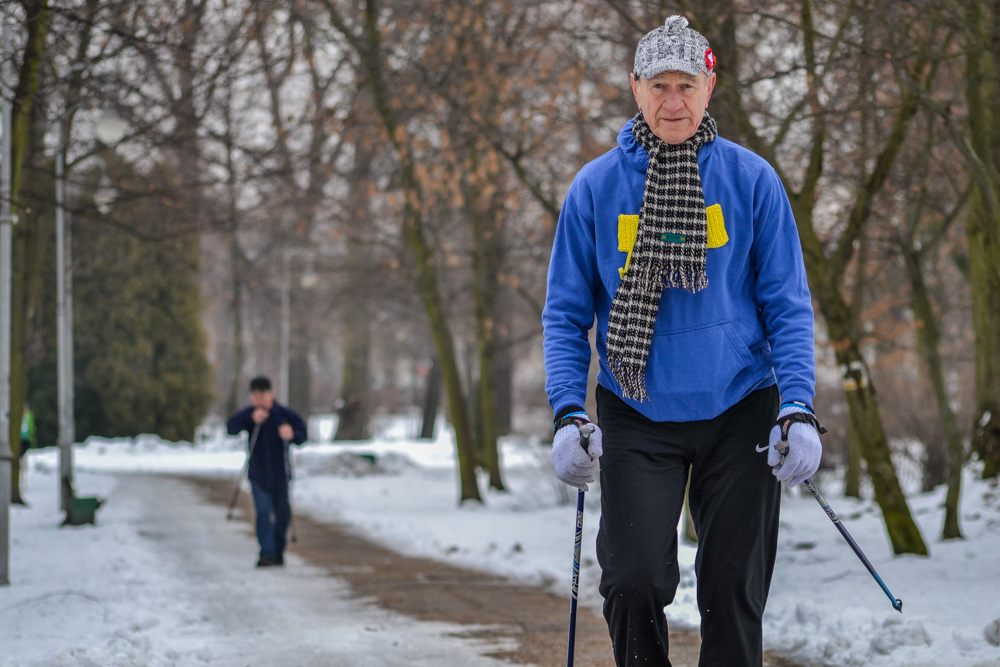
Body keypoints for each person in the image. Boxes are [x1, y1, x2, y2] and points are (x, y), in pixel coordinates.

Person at [542, 16, 823, 667]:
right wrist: (567, 411)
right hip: (636, 406)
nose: (674, 102)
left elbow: (787, 304)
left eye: (686, 85)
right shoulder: (595, 189)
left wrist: (799, 405)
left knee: (731, 588)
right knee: (634, 579)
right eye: (659, 85)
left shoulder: (752, 182)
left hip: (741, 407)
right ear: (634, 87)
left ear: (709, 85)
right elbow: (565, 314)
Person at [227, 376, 307, 567]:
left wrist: (292, 434)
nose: (258, 400)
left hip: (281, 474)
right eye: (254, 396)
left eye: (262, 395)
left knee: (282, 514)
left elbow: (302, 435)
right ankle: (267, 553)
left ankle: (278, 551)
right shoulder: (251, 415)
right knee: (263, 512)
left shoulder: (284, 415)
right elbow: (231, 428)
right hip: (258, 474)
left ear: (271, 393)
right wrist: (250, 418)